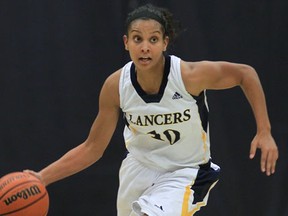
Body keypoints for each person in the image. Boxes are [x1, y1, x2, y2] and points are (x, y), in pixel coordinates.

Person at [25, 3, 278, 216]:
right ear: (126, 43)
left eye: (153, 39)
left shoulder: (188, 76)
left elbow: (246, 74)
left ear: (165, 43)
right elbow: (92, 147)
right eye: (137, 39)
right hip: (138, 167)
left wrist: (264, 131)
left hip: (186, 171)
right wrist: (41, 177)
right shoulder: (116, 86)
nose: (145, 47)